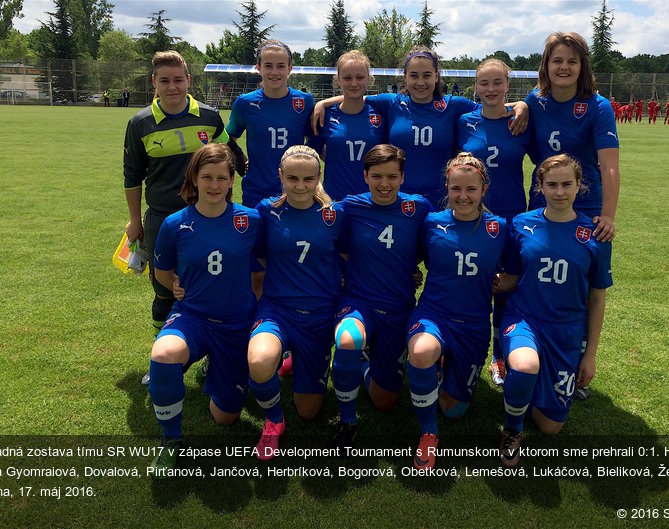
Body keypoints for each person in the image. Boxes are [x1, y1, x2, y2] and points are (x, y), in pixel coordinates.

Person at [147, 143, 263, 475]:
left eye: (222, 178)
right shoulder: (174, 224)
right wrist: (176, 289)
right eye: (207, 177)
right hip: (193, 316)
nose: (214, 185)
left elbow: (261, 272)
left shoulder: (250, 220)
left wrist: (253, 308)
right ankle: (171, 442)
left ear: (231, 181)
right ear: (194, 178)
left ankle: (215, 367)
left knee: (225, 417)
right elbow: (162, 271)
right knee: (163, 354)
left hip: (236, 324)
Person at [494, 154, 612, 467]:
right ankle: (513, 428)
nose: (559, 191)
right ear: (540, 186)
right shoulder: (521, 224)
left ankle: (524, 390)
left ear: (579, 186)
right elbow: (511, 278)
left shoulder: (595, 235)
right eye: (552, 184)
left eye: (566, 184)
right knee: (525, 363)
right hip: (525, 320)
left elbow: (597, 298)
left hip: (567, 331)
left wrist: (589, 356)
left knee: (550, 427)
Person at [522, 32, 619, 399]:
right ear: (546, 65)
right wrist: (520, 106)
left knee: (583, 285)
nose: (564, 67)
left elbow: (609, 167)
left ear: (583, 67)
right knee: (536, 277)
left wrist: (607, 216)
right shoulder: (535, 101)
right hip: (542, 203)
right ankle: (524, 352)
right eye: (557, 60)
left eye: (572, 61)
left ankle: (578, 361)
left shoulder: (597, 106)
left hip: (587, 209)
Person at [123, 50, 228, 385]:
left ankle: (215, 357)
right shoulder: (139, 124)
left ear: (189, 81)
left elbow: (229, 158)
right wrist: (134, 220)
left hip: (208, 219)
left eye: (178, 80)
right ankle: (164, 363)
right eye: (164, 81)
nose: (172, 87)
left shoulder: (210, 118)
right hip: (161, 218)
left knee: (212, 288)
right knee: (164, 289)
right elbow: (131, 176)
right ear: (154, 83)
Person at [313, 46, 527, 208]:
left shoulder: (454, 105)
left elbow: (488, 106)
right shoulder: (391, 103)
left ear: (436, 76)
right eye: (414, 76)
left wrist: (520, 104)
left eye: (427, 75)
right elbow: (356, 94)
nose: (420, 82)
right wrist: (323, 103)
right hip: (397, 200)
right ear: (405, 78)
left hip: (443, 202)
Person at [407, 153, 509, 470]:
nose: (462, 196)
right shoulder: (432, 222)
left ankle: (440, 370)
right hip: (434, 314)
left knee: (454, 410)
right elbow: (414, 258)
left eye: (471, 189)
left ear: (484, 189)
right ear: (447, 188)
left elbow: (513, 271)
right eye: (455, 189)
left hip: (474, 323)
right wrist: (413, 273)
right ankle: (428, 434)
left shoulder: (500, 229)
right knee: (422, 352)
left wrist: (502, 281)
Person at [330, 144, 433, 450]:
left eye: (392, 176)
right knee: (347, 340)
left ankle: (365, 362)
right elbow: (336, 247)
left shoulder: (418, 208)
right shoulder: (350, 207)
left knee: (384, 401)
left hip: (398, 306)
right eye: (376, 176)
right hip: (358, 302)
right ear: (365, 176)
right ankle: (348, 422)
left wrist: (409, 270)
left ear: (403, 177)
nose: (384, 184)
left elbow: (430, 250)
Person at [247, 146, 345, 459]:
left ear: (320, 177)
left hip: (319, 316)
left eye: (308, 178)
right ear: (280, 176)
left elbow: (349, 256)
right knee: (260, 361)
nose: (300, 185)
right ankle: (274, 421)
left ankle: (303, 360)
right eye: (292, 178)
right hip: (277, 310)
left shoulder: (335, 214)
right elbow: (256, 256)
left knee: (309, 411)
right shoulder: (266, 210)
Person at [226, 39, 315, 374]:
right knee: (257, 273)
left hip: (297, 200)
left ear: (290, 68)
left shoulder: (303, 102)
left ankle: (288, 344)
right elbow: (227, 138)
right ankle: (253, 340)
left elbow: (317, 136)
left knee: (293, 268)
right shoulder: (246, 104)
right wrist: (240, 162)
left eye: (281, 65)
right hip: (256, 201)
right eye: (268, 65)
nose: (275, 71)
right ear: (258, 68)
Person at [454, 58, 532, 387]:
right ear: (476, 86)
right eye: (484, 83)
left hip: (512, 218)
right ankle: (456, 354)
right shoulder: (464, 122)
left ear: (507, 86)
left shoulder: (522, 121)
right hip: (473, 219)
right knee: (468, 286)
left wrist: (524, 105)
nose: (490, 89)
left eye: (497, 83)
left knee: (506, 289)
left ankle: (500, 357)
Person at [307, 50, 387, 201]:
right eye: (347, 78)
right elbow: (313, 153)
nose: (354, 83)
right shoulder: (325, 115)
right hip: (334, 201)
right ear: (338, 80)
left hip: (371, 201)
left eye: (360, 77)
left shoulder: (381, 116)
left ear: (368, 78)